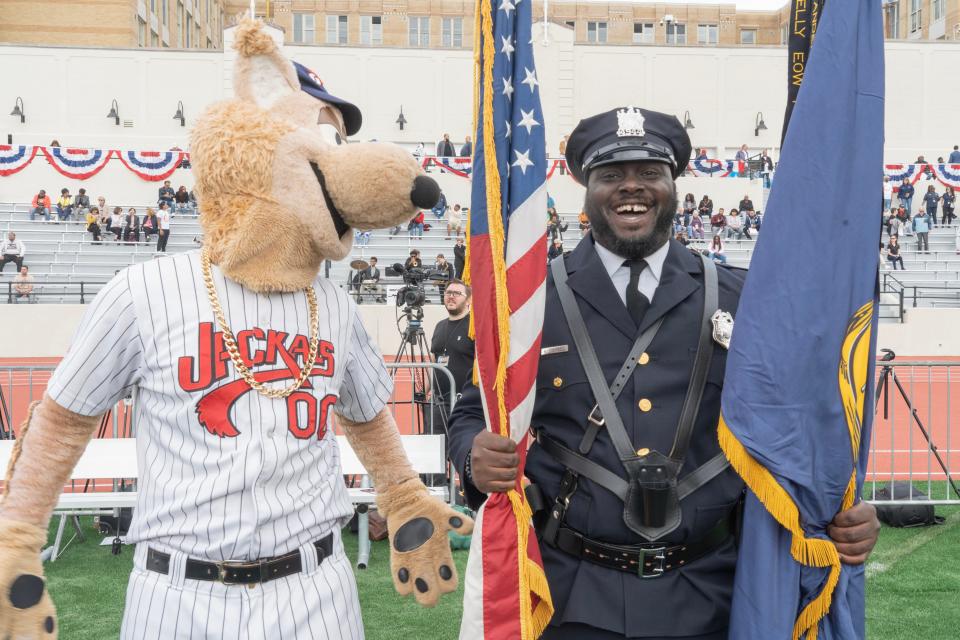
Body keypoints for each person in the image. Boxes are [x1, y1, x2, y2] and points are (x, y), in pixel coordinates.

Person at [447, 106, 878, 639]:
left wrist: (842, 508)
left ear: (674, 185)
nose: (633, 188)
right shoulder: (530, 303)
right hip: (573, 598)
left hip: (711, 597)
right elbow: (474, 410)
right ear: (585, 188)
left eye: (650, 173)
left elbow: (800, 423)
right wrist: (473, 454)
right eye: (611, 175)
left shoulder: (744, 298)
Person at [429, 279, 475, 434]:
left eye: (457, 293)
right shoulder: (439, 326)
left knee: (461, 455)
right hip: (439, 403)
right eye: (448, 292)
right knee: (437, 454)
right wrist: (428, 391)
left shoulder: (474, 326)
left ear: (469, 299)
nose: (451, 296)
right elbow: (434, 361)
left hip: (465, 406)